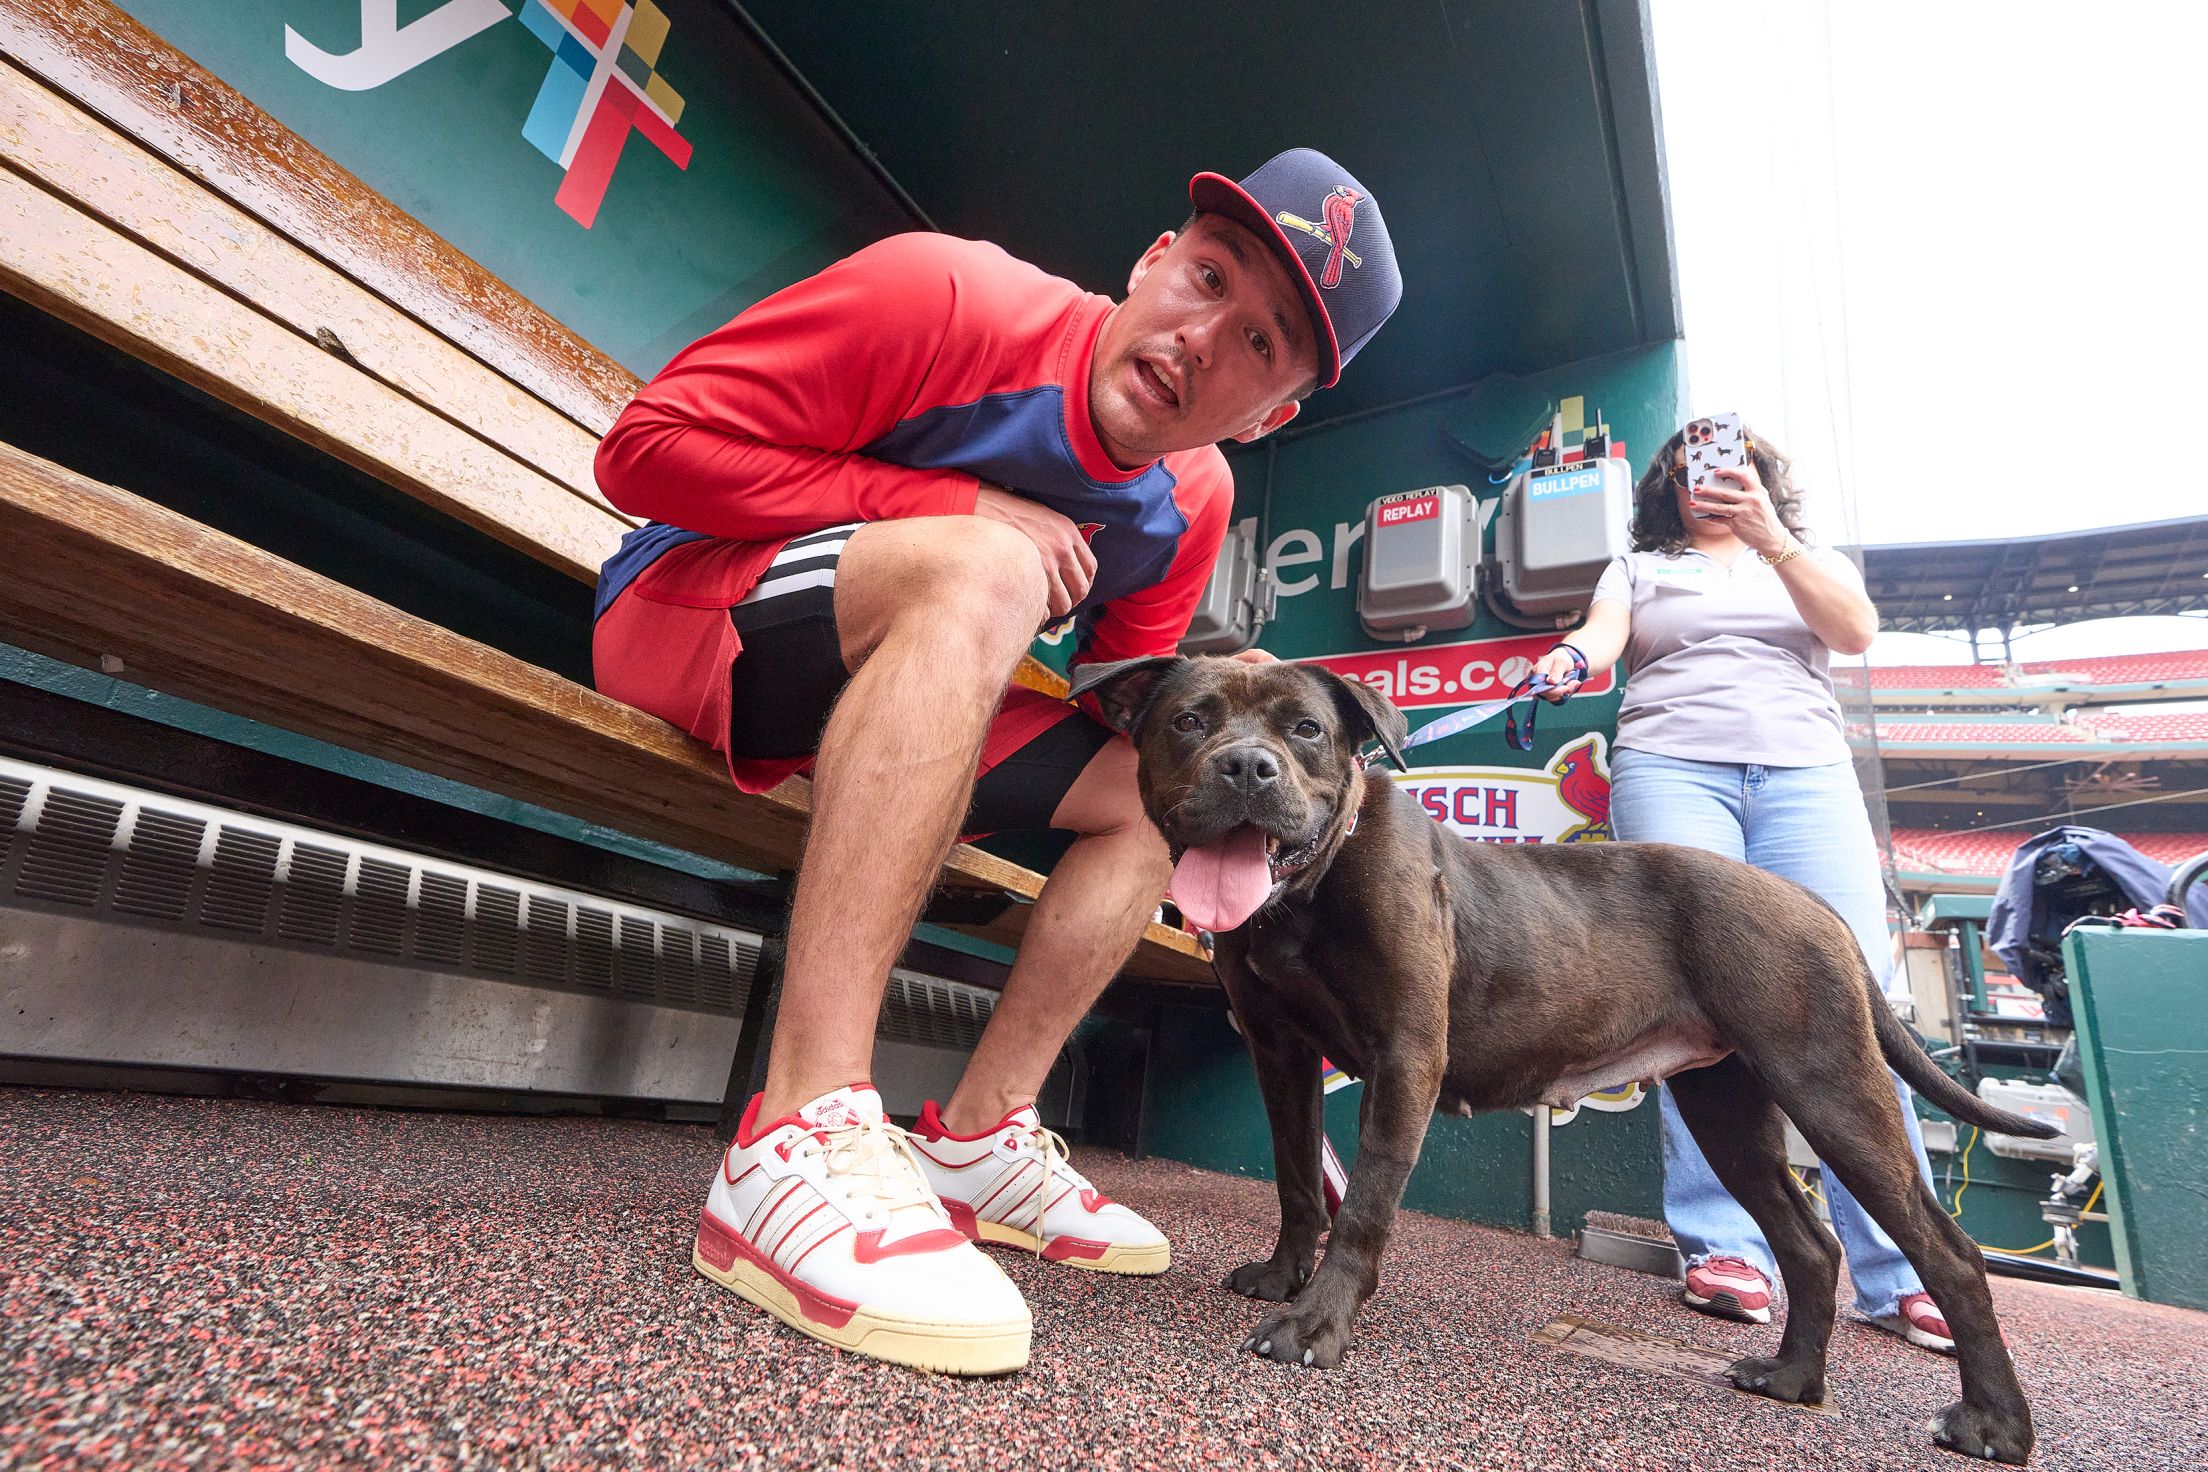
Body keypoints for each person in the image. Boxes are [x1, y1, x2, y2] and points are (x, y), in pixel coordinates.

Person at [590, 149, 1401, 1374]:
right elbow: (644, 449)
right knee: (993, 565)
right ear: (1154, 258)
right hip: (690, 614)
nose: (1201, 337)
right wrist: (952, 511)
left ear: (1270, 413)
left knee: (1160, 787)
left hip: (883, 691)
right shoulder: (948, 294)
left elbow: (1124, 707)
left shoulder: (1194, 497)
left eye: (1257, 342)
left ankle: (976, 1135)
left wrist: (1230, 711)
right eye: (1208, 276)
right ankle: (797, 1129)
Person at [1531, 422, 1955, 1356]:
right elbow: (1601, 637)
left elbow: (1855, 631)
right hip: (1673, 768)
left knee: (1854, 1003)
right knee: (1688, 1001)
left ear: (1759, 475)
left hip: (1805, 777)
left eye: (1729, 464)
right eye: (1689, 467)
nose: (1707, 478)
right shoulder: (1639, 565)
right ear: (1667, 484)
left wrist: (1773, 538)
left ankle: (1902, 1267)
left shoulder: (1804, 556)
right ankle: (1725, 1244)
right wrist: (1569, 660)